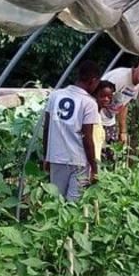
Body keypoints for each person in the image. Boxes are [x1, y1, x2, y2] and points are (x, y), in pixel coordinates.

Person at [42, 60, 101, 202]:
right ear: (93, 80)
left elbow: (47, 128)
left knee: (56, 201)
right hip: (79, 160)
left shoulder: (55, 96)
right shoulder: (89, 103)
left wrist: (46, 156)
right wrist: (94, 167)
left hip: (56, 156)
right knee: (73, 204)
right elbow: (87, 138)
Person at [101, 57, 139, 147]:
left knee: (111, 156)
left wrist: (123, 132)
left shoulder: (137, 86)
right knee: (95, 157)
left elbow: (124, 105)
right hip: (96, 120)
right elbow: (97, 99)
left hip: (108, 122)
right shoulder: (119, 78)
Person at [91, 80, 117, 163]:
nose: (106, 99)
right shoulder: (92, 116)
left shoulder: (98, 115)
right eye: (102, 96)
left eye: (109, 96)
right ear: (95, 95)